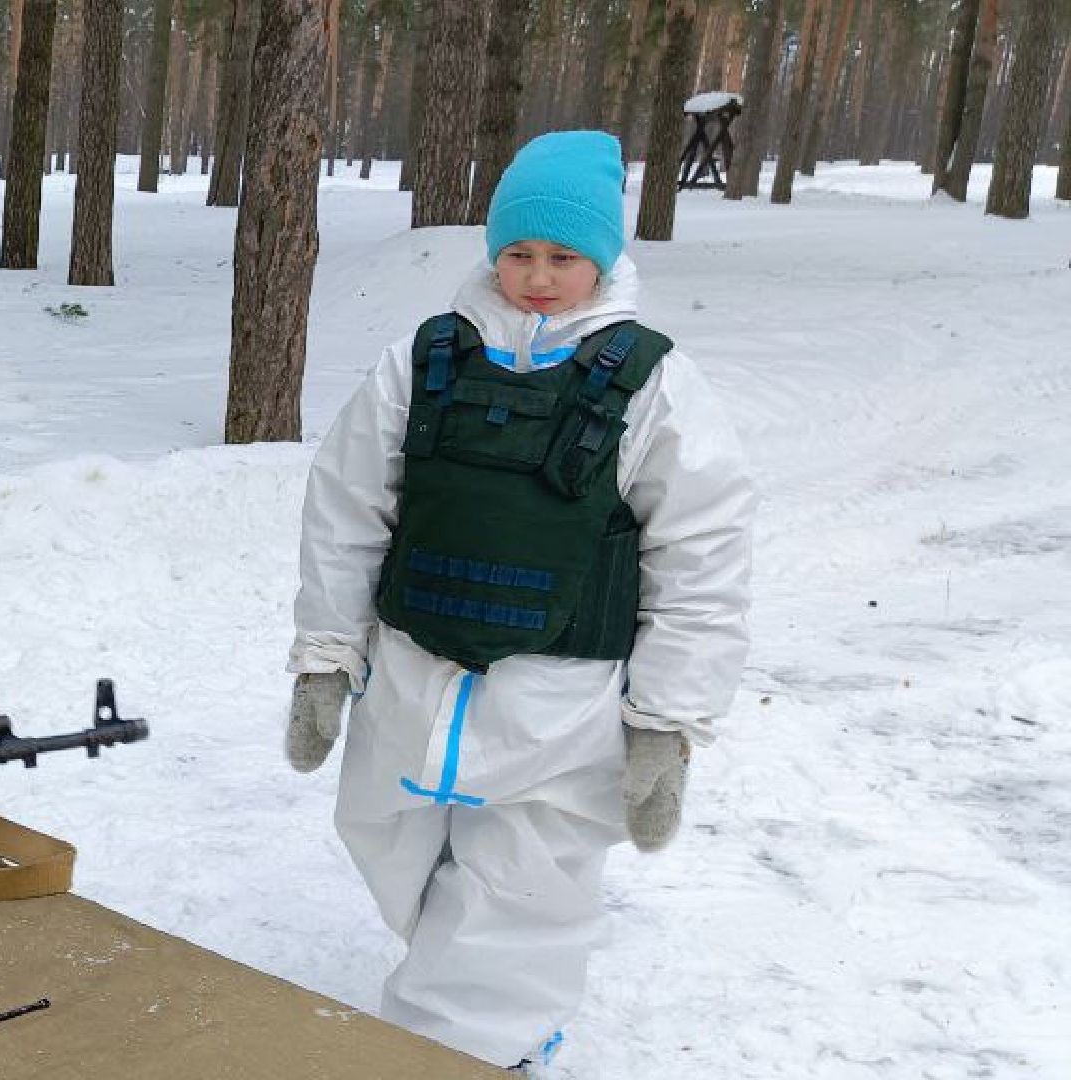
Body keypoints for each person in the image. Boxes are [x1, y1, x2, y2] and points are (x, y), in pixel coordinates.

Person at [284, 130, 754, 1073]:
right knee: (389, 845)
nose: (538, 276)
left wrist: (666, 721)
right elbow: (346, 511)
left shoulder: (654, 383)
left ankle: (475, 1048)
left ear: (605, 258)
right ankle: (458, 981)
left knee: (525, 885)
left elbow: (701, 557)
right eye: (518, 252)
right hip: (414, 680)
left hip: (559, 703)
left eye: (564, 256)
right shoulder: (424, 362)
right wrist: (326, 659)